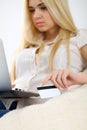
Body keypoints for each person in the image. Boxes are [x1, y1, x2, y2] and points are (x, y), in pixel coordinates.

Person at [1, 0, 87, 117]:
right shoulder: (27, 46)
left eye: (43, 7)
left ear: (58, 8)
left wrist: (78, 78)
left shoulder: (78, 37)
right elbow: (12, 81)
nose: (36, 15)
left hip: (44, 107)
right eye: (32, 10)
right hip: (11, 105)